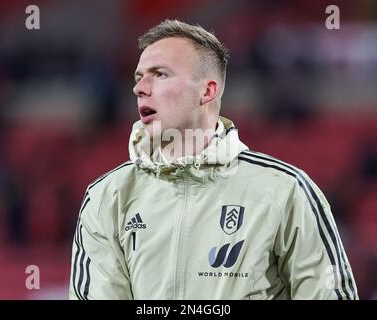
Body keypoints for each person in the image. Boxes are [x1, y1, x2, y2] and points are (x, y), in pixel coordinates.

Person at [69, 19, 358, 300]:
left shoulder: (285, 191)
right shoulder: (108, 197)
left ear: (207, 91)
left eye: (159, 74)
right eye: (138, 77)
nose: (140, 87)